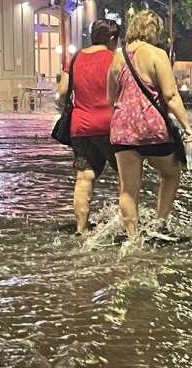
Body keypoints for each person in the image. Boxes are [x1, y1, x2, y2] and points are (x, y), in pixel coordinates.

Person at [106, 10, 192, 240]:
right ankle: (160, 225)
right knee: (171, 172)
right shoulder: (157, 54)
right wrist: (187, 127)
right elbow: (171, 96)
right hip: (153, 130)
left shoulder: (118, 57)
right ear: (154, 30)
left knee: (128, 189)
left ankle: (132, 237)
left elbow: (110, 99)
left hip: (123, 131)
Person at [57, 19, 121, 236]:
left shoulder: (75, 59)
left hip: (80, 127)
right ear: (112, 39)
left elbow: (63, 92)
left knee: (84, 176)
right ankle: (129, 227)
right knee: (126, 176)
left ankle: (81, 229)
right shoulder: (115, 59)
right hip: (110, 127)